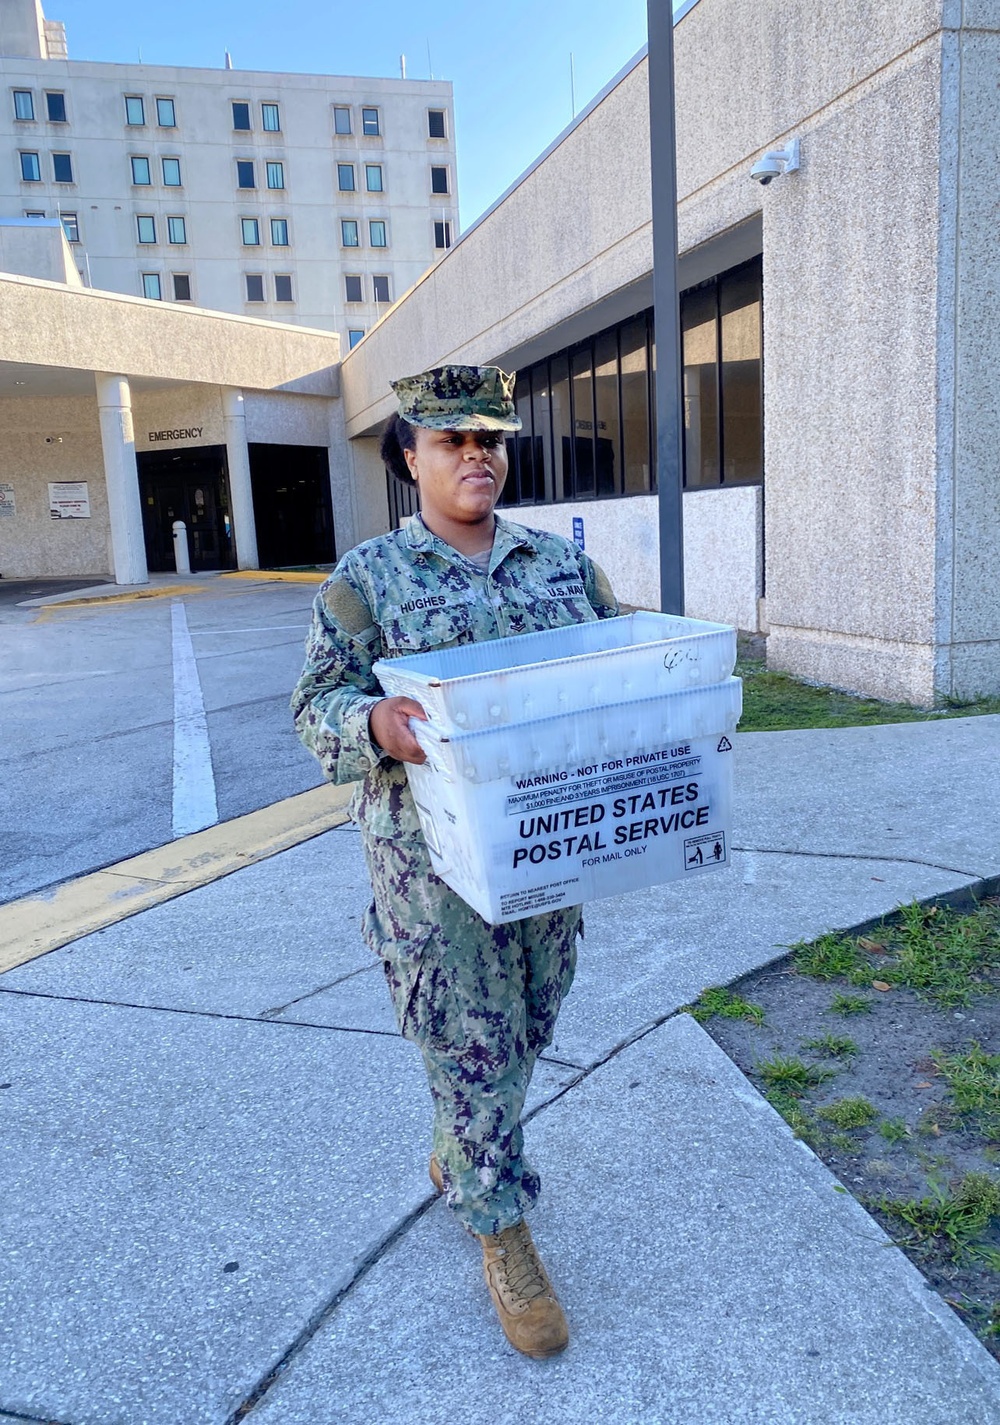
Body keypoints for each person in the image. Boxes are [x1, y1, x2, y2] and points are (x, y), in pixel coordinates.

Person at [291, 364, 619, 1359]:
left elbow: (616, 675)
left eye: (490, 440)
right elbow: (314, 713)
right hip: (425, 865)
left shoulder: (562, 569)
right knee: (467, 1040)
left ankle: (457, 1150)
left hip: (542, 848)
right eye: (451, 442)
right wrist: (375, 723)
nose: (477, 457)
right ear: (409, 458)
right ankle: (499, 1222)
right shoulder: (367, 580)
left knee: (526, 1023)